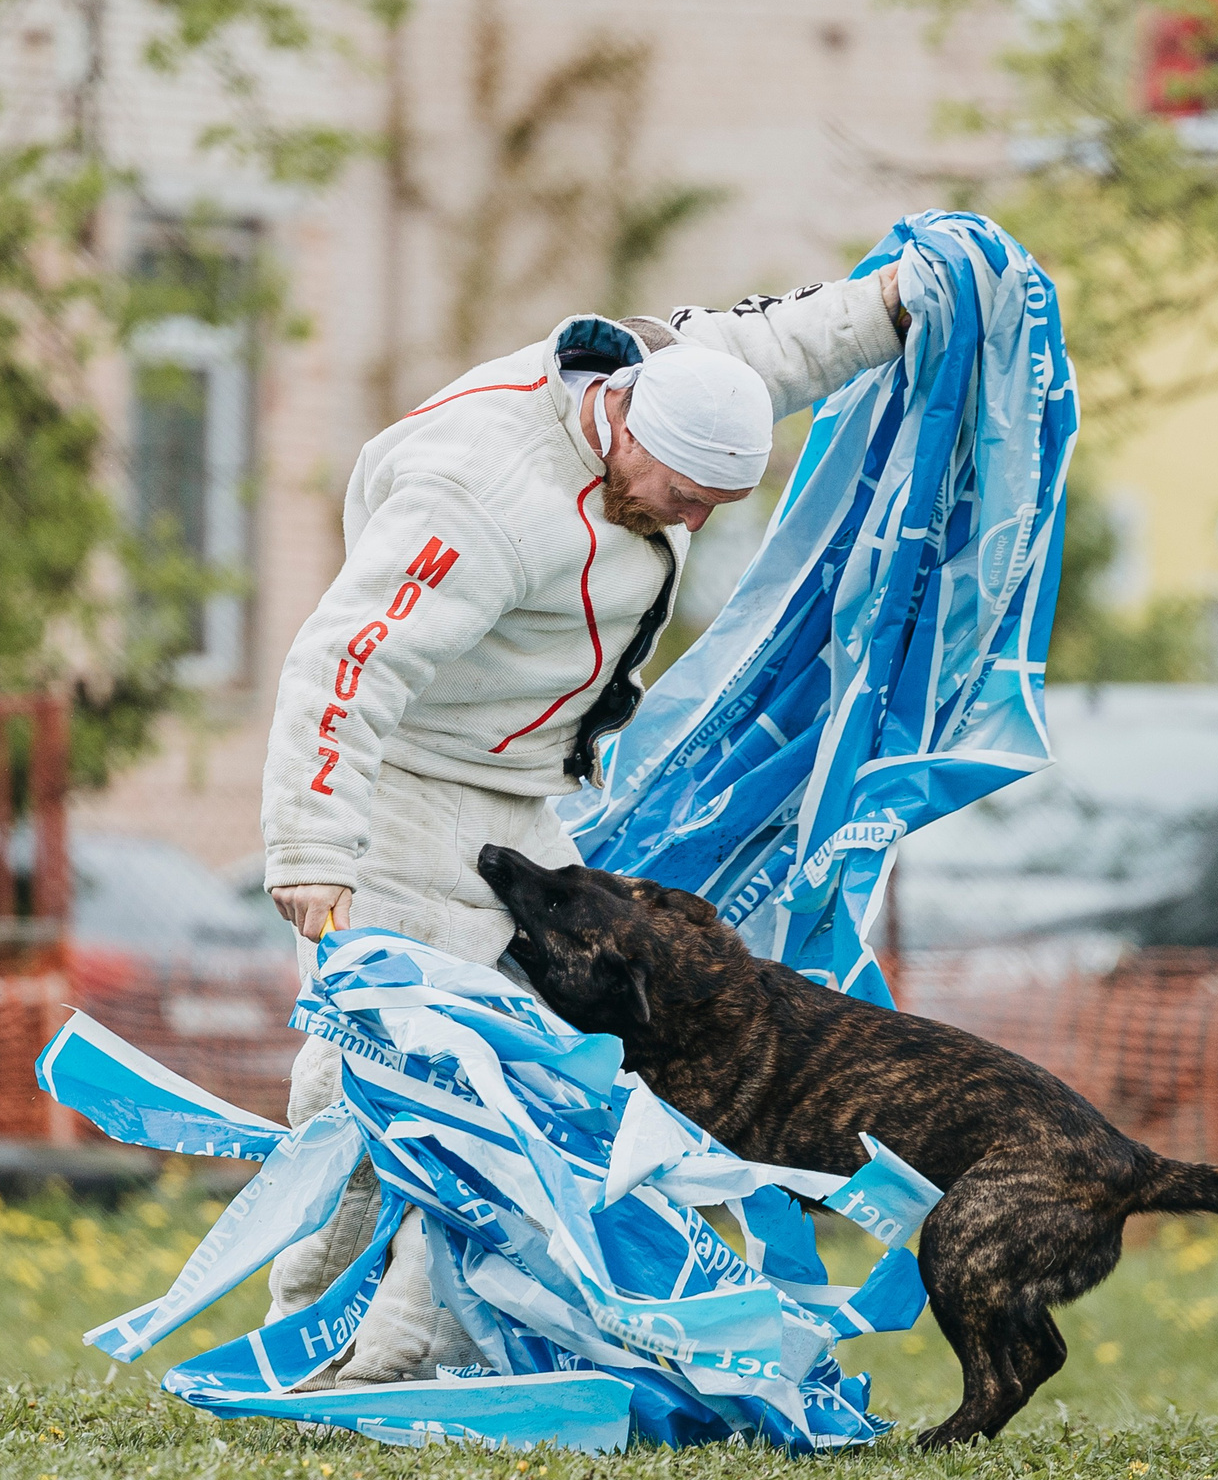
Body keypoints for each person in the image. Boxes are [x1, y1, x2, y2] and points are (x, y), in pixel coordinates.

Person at [258, 264, 910, 1384]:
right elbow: (342, 662)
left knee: (546, 1082)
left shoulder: (675, 388)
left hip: (521, 799)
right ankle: (313, 1345)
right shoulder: (476, 497)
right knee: (373, 1082)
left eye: (719, 503)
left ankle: (447, 1350)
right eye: (686, 493)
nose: (696, 518)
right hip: (405, 794)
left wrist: (907, 296)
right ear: (624, 426)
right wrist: (312, 848)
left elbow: (792, 346)